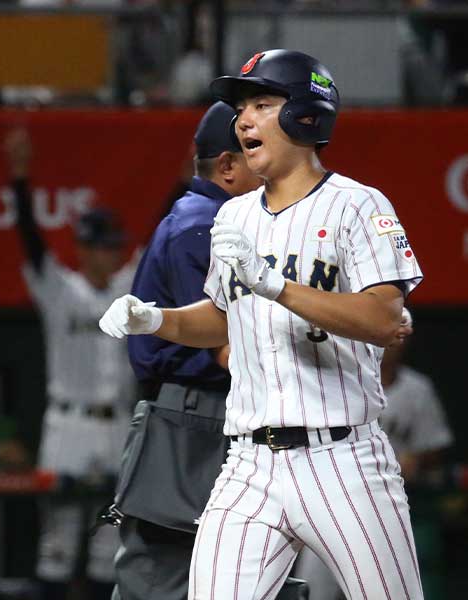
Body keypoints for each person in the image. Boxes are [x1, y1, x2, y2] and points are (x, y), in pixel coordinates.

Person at [100, 49, 425, 599]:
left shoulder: (358, 206)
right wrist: (155, 319)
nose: (244, 119)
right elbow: (222, 321)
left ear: (306, 114)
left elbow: (384, 318)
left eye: (262, 103)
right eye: (241, 108)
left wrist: (275, 285)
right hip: (249, 462)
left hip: (341, 458)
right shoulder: (234, 215)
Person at [110, 102, 261, 600]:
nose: (272, 169)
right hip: (191, 420)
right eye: (257, 153)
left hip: (206, 417)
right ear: (227, 166)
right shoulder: (202, 224)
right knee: (162, 580)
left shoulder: (217, 219)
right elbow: (224, 342)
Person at [4, 129, 137, 600]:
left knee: (108, 546)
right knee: (57, 546)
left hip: (115, 424)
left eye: (114, 246)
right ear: (83, 249)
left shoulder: (127, 286)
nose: (111, 253)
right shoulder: (61, 289)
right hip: (68, 424)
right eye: (102, 246)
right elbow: (31, 241)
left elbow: (163, 229)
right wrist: (19, 179)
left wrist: (185, 182)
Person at [294, 307, 453, 600]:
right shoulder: (336, 383)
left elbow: (436, 448)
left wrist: (415, 460)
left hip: (393, 501)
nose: (391, 345)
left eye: (398, 337)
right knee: (314, 590)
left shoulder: (417, 389)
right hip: (334, 501)